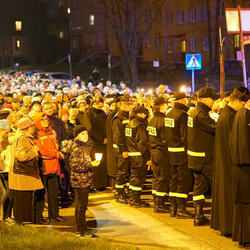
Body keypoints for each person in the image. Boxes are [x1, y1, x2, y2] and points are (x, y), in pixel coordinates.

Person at [211, 86, 250, 236]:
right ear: (238, 102)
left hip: (224, 160)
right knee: (230, 195)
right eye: (243, 105)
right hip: (230, 162)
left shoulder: (225, 113)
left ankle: (225, 225)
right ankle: (229, 227)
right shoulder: (232, 117)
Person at [187, 87, 217, 226]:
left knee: (199, 186)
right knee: (216, 184)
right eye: (213, 99)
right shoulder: (201, 114)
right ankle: (219, 216)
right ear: (204, 99)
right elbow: (216, 128)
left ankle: (198, 216)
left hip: (195, 157)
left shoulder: (194, 113)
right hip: (204, 158)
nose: (214, 101)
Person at [62, 125, 100, 238]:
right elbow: (76, 166)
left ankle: (81, 229)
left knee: (80, 206)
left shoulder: (82, 147)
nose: (86, 135)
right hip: (81, 180)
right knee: (81, 206)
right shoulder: (78, 148)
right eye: (82, 134)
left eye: (86, 133)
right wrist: (91, 164)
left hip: (83, 180)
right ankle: (82, 230)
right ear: (77, 136)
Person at [8, 117, 44, 224]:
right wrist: (34, 150)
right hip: (22, 174)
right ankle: (23, 221)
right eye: (31, 126)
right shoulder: (22, 138)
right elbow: (22, 156)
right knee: (23, 199)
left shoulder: (19, 137)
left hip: (20, 174)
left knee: (21, 198)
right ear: (26, 128)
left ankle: (22, 221)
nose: (33, 128)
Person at [165, 92, 193, 219]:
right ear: (182, 101)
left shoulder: (169, 113)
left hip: (171, 151)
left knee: (174, 179)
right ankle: (181, 209)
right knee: (183, 180)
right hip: (181, 151)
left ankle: (173, 208)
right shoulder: (182, 115)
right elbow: (185, 136)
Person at [34, 114, 66, 222]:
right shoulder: (36, 133)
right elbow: (41, 151)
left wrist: (57, 152)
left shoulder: (52, 132)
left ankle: (54, 215)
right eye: (42, 119)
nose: (45, 121)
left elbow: (55, 146)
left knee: (54, 192)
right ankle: (38, 217)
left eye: (46, 119)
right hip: (44, 167)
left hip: (54, 166)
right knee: (41, 193)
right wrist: (55, 154)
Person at [229, 104, 250, 247]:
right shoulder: (246, 116)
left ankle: (242, 238)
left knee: (241, 203)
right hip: (247, 166)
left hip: (238, 165)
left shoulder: (238, 115)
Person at [148, 96, 171, 213]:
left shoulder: (152, 120)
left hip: (154, 151)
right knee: (163, 177)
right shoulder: (163, 121)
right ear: (162, 106)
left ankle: (156, 201)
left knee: (156, 177)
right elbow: (166, 139)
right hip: (162, 152)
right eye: (166, 104)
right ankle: (159, 205)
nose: (167, 106)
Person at [125, 105, 150, 207]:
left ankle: (132, 198)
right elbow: (142, 142)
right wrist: (147, 157)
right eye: (144, 114)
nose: (145, 116)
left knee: (134, 176)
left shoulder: (129, 124)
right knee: (139, 178)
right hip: (139, 156)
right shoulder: (139, 125)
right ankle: (136, 200)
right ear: (139, 114)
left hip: (132, 155)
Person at [82, 96, 107, 190]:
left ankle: (101, 184)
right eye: (100, 106)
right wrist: (101, 139)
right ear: (95, 103)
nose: (101, 107)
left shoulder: (102, 113)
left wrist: (106, 137)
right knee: (95, 165)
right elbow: (90, 128)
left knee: (101, 165)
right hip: (93, 143)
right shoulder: (88, 113)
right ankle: (93, 184)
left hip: (102, 143)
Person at [112, 95, 134, 204]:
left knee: (128, 171)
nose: (130, 106)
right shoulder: (118, 117)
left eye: (131, 104)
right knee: (122, 171)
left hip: (129, 148)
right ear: (121, 105)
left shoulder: (129, 116)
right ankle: (119, 193)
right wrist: (123, 150)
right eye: (127, 104)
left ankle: (126, 192)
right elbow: (118, 136)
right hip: (122, 150)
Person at [0, 119, 13, 223]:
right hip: (4, 170)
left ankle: (7, 216)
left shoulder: (5, 140)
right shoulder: (1, 141)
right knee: (8, 192)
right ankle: (5, 217)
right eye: (6, 132)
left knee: (10, 191)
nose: (7, 134)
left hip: (7, 169)